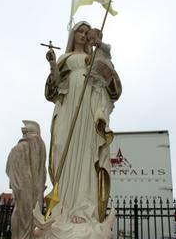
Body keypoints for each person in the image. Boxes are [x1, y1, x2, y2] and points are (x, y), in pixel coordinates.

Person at [45, 21, 122, 224]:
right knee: (63, 148)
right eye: (80, 30)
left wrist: (101, 48)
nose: (83, 34)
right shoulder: (66, 58)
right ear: (73, 34)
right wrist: (53, 64)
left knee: (87, 153)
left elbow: (111, 81)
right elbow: (53, 86)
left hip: (88, 106)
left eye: (87, 32)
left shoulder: (95, 56)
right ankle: (62, 206)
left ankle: (83, 206)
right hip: (69, 106)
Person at [6, 120, 46, 239]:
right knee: (22, 213)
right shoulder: (19, 149)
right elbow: (10, 169)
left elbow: (40, 170)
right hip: (24, 188)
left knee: (32, 214)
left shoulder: (37, 146)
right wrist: (18, 186)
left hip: (34, 189)